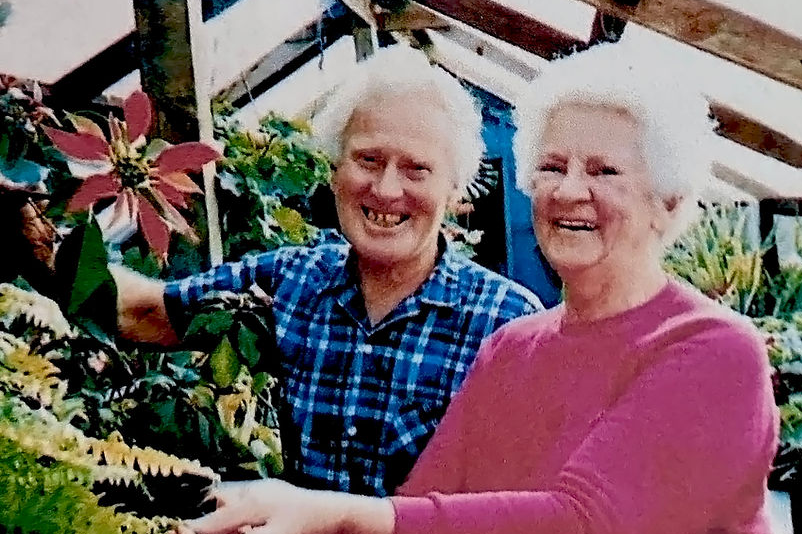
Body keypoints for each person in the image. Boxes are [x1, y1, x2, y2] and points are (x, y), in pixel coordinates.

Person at [174, 45, 785, 534]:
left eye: (604, 172)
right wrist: (250, 526)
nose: (570, 190)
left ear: (670, 201)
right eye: (551, 166)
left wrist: (332, 520)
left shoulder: (712, 350)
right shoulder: (514, 350)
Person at [113, 45, 542, 498]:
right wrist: (46, 241)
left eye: (417, 169)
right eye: (368, 160)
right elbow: (143, 313)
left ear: (454, 193)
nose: (386, 189)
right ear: (335, 170)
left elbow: (524, 511)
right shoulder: (288, 282)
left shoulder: (507, 324)